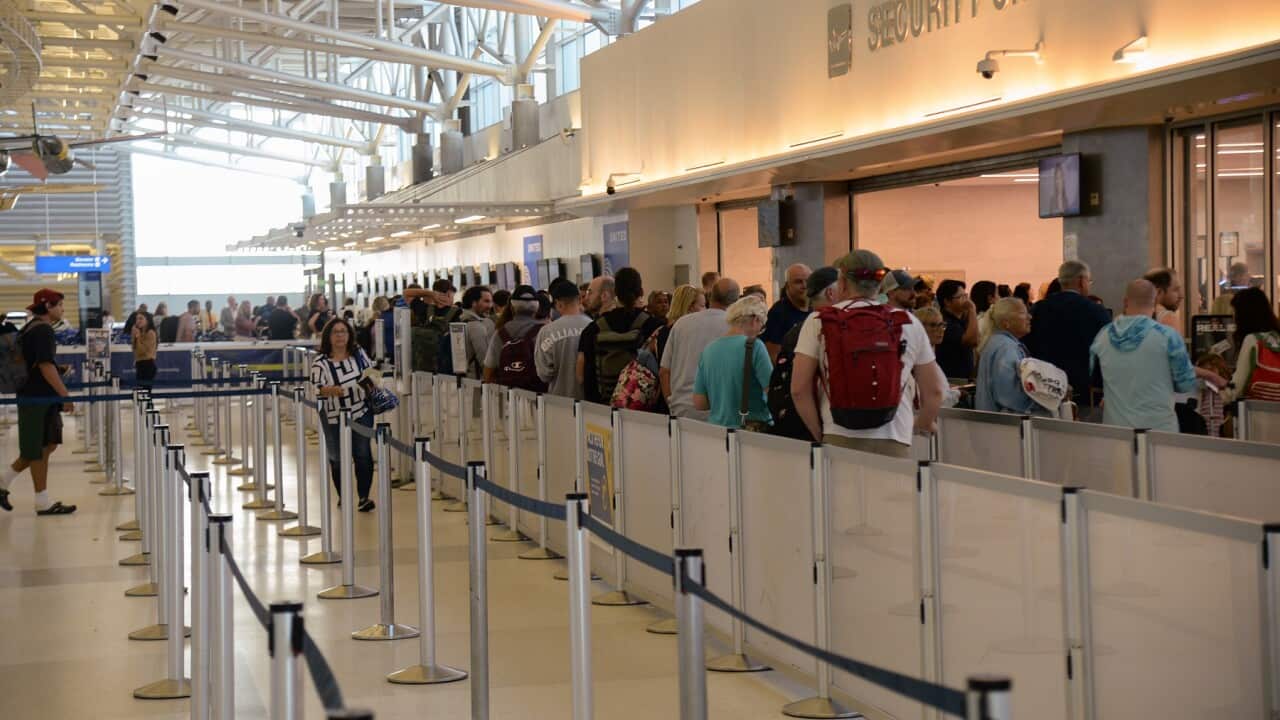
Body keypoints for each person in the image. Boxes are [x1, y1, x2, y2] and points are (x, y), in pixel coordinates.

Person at [791, 250, 944, 459]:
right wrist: (922, 424)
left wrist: (820, 434)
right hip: (894, 438)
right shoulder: (907, 321)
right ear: (880, 285)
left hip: (838, 436)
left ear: (842, 283)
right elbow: (934, 391)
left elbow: (799, 390)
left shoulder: (818, 321)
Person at [0, 290, 76, 515]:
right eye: (60, 305)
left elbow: (36, 362)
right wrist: (65, 395)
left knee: (45, 445)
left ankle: (23, 491)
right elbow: (44, 366)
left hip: (36, 394)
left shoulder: (31, 327)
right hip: (37, 396)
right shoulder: (43, 330)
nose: (62, 309)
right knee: (35, 449)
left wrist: (57, 370)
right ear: (48, 306)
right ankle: (39, 499)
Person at [1090, 279, 1196, 432]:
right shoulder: (1168, 337)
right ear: (1154, 304)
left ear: (1125, 302)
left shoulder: (1102, 336)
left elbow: (1095, 380)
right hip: (1160, 430)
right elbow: (1186, 384)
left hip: (1116, 431)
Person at [310, 317, 376, 512]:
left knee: (363, 454)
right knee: (337, 458)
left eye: (344, 331)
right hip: (332, 414)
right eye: (336, 332)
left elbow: (370, 373)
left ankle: (364, 496)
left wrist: (370, 384)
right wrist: (330, 390)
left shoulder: (358, 354)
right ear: (328, 336)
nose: (340, 336)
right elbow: (315, 387)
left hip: (360, 410)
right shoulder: (320, 362)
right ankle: (343, 495)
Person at [1025, 261, 1111, 408]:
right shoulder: (1096, 311)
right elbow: (1107, 350)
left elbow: (1028, 343)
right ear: (1081, 281)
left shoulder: (1039, 309)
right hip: (1084, 391)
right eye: (1089, 281)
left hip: (1043, 388)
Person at [768, 266, 839, 440]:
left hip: (820, 419)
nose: (803, 285)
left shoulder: (814, 319)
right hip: (808, 419)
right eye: (798, 281)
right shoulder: (781, 313)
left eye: (806, 281)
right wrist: (817, 432)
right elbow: (797, 388)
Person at [577, 268, 665, 404]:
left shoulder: (593, 329)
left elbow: (582, 376)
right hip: (644, 409)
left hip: (603, 406)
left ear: (616, 293)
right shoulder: (655, 326)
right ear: (641, 292)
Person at [660, 278, 740, 419]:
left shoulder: (681, 324)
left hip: (683, 409)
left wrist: (671, 404)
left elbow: (664, 371)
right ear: (735, 302)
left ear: (711, 296)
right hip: (721, 410)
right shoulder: (736, 327)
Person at [693, 296, 773, 430]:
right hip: (751, 430)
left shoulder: (709, 350)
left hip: (717, 429)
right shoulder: (755, 347)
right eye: (762, 326)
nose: (760, 331)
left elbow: (700, 403)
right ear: (755, 320)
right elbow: (771, 390)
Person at [975, 297, 1044, 415]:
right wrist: (1043, 401)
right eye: (1023, 313)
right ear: (1006, 322)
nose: (1030, 317)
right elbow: (1009, 396)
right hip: (1004, 426)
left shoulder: (996, 342)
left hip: (990, 422)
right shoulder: (1007, 348)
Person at [536, 280, 593, 399]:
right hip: (590, 403)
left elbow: (544, 374)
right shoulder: (593, 326)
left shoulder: (547, 331)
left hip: (559, 402)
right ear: (579, 299)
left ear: (558, 303)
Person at [1223, 288, 1280, 402]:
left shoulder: (1253, 340)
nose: (1233, 317)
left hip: (1260, 415)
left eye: (1235, 312)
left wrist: (1217, 396)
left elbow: (1236, 387)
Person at [483, 285, 545, 391]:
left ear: (511, 306)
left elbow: (488, 371)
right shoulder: (544, 332)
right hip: (538, 397)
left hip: (508, 397)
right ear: (537, 307)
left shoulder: (500, 333)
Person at [762, 263, 812, 362]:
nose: (804, 285)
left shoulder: (816, 308)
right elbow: (773, 354)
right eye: (798, 282)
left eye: (808, 281)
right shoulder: (778, 312)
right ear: (787, 285)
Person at [934, 280, 979, 380]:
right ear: (947, 302)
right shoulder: (945, 322)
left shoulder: (961, 319)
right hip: (953, 380)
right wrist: (972, 310)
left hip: (964, 378)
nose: (966, 301)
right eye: (961, 297)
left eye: (965, 295)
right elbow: (972, 340)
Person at [655, 285, 704, 363]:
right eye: (702, 306)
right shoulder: (689, 332)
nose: (705, 310)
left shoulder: (666, 331)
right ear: (689, 307)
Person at [459, 286, 496, 379]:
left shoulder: (460, 319)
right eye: (486, 301)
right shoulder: (475, 326)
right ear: (474, 303)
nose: (490, 306)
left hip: (464, 378)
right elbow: (485, 359)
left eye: (491, 301)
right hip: (478, 380)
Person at [131, 311, 158, 388]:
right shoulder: (139, 332)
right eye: (137, 319)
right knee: (140, 392)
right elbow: (134, 349)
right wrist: (134, 336)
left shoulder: (150, 333)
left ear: (147, 320)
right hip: (139, 364)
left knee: (145, 393)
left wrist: (138, 337)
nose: (138, 321)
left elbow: (142, 351)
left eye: (141, 318)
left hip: (148, 365)